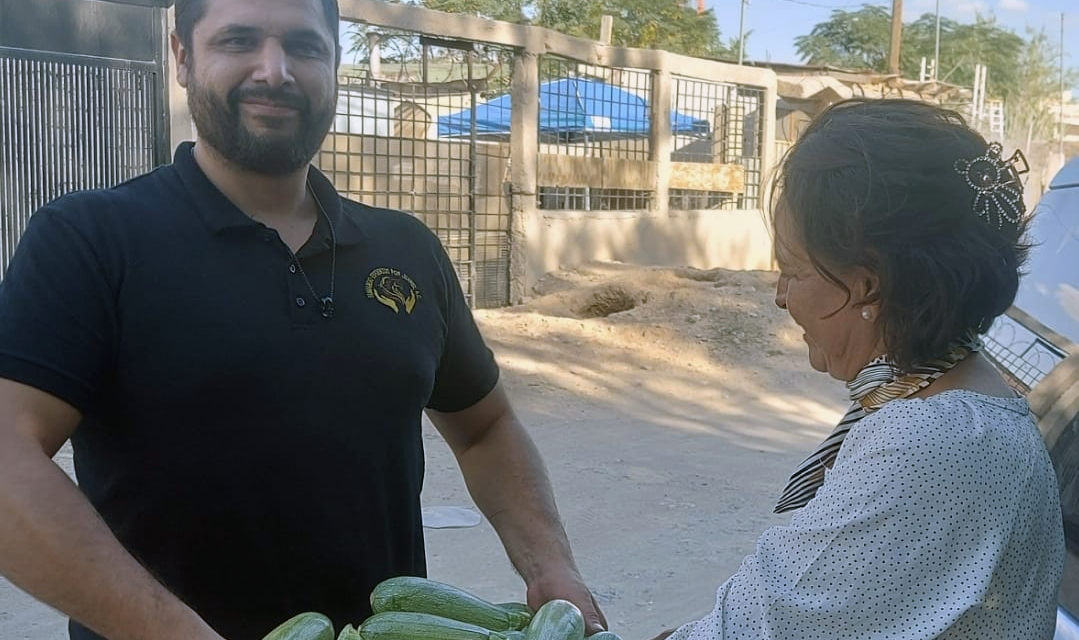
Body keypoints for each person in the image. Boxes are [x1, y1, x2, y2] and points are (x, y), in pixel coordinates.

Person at [0, 0, 605, 639]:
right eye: (238, 41)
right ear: (182, 57)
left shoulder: (407, 250)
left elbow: (485, 427)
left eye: (304, 46)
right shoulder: (91, 241)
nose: (275, 70)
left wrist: (551, 567)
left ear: (335, 66)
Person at [656, 99, 1064, 639]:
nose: (780, 296)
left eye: (793, 269)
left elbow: (765, 626)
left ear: (869, 282)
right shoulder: (960, 410)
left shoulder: (931, 442)